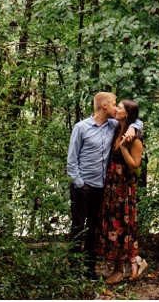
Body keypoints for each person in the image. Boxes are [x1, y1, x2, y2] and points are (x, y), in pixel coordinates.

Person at [67, 92, 143, 280]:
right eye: (115, 104)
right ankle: (73, 268)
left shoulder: (113, 126)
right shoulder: (81, 128)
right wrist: (79, 184)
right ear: (104, 106)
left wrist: (134, 127)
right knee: (78, 227)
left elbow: (136, 121)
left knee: (94, 229)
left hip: (102, 188)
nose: (117, 108)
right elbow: (71, 160)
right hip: (83, 186)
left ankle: (89, 269)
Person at [94, 99, 147, 283]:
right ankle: (132, 262)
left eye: (121, 108)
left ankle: (121, 267)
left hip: (123, 187)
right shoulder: (117, 128)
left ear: (128, 113)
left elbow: (134, 167)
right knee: (112, 225)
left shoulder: (135, 138)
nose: (116, 110)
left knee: (122, 225)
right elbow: (137, 121)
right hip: (112, 185)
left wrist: (124, 146)